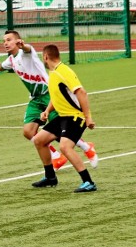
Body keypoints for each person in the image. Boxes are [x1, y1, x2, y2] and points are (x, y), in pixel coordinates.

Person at [0, 30, 98, 171]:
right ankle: (56, 156)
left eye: (9, 40)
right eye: (4, 41)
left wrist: (23, 45)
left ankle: (87, 147)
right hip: (35, 99)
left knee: (60, 130)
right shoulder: (12, 60)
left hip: (49, 95)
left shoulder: (26, 53)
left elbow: (27, 48)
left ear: (17, 40)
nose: (5, 43)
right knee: (28, 131)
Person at [31, 45, 98, 193]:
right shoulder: (53, 73)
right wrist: (47, 111)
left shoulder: (64, 71)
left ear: (46, 57)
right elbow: (57, 97)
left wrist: (88, 117)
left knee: (65, 147)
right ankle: (50, 178)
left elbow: (82, 92)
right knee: (38, 140)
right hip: (63, 117)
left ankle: (88, 182)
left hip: (75, 117)